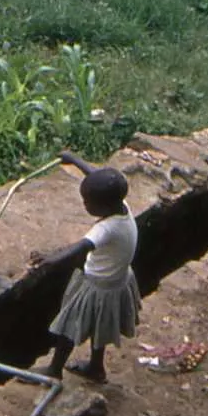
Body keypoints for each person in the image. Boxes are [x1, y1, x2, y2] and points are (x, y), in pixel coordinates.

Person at [42, 150, 140, 385]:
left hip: (97, 284)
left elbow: (78, 249)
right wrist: (74, 160)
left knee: (67, 325)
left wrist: (47, 259)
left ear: (102, 205)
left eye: (88, 202)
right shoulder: (121, 204)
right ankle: (96, 367)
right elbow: (97, 176)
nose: (85, 205)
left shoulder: (106, 229)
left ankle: (54, 370)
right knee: (101, 325)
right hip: (118, 280)